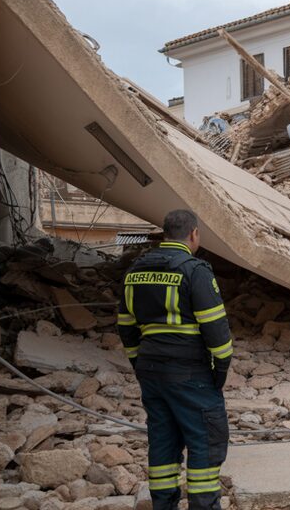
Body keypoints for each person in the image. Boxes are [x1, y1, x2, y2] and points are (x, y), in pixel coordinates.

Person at [117, 210, 234, 509]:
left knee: (163, 442)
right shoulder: (195, 271)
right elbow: (217, 332)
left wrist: (139, 365)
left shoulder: (135, 271)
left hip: (151, 372)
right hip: (189, 373)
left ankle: (164, 505)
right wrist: (218, 374)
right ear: (193, 234)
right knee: (207, 440)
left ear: (165, 234)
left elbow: (126, 327)